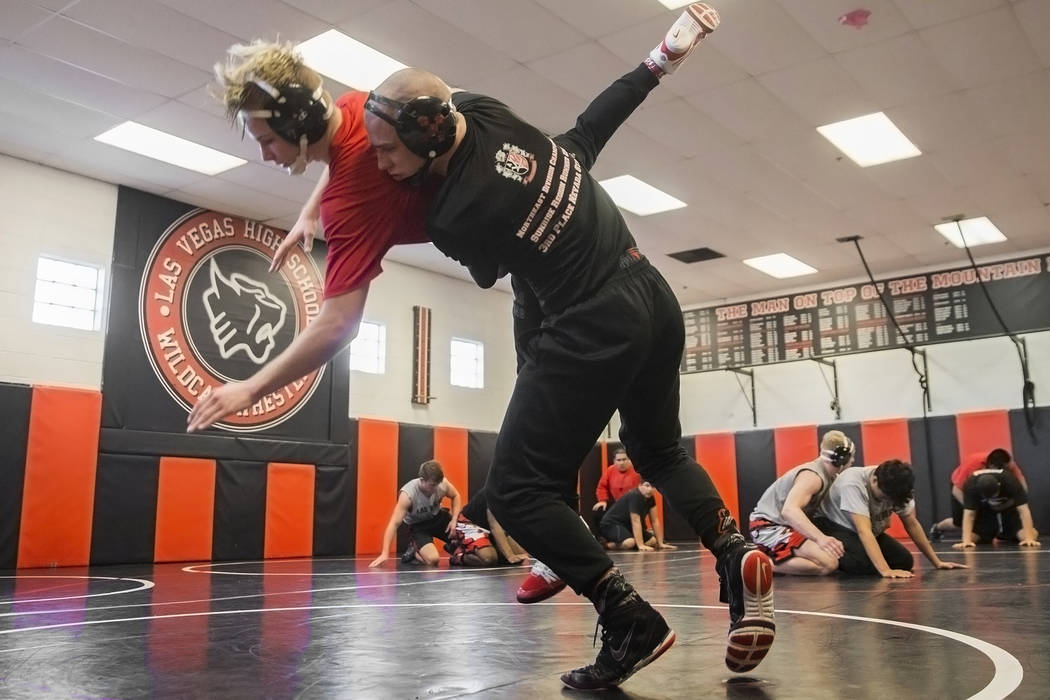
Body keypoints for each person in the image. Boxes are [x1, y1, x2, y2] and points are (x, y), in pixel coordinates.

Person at [362, 5, 776, 691]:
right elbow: (589, 128)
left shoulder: (459, 213)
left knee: (515, 492)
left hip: (591, 321)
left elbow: (507, 282)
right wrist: (660, 59)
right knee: (659, 450)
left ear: (428, 136)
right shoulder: (485, 112)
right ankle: (734, 550)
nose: (378, 163)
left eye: (387, 152)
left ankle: (627, 616)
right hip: (652, 295)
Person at [813, 460, 967, 578]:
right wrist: (885, 571)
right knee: (866, 566)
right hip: (831, 525)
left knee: (904, 561)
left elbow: (912, 524)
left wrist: (937, 562)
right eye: (884, 497)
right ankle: (821, 553)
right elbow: (863, 531)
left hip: (860, 530)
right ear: (874, 480)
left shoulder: (900, 489)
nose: (887, 502)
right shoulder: (853, 484)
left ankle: (854, 557)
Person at [748, 431, 854, 576]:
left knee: (830, 559)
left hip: (782, 525)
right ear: (842, 458)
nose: (853, 460)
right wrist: (820, 538)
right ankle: (758, 562)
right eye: (851, 456)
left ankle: (770, 556)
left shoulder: (829, 476)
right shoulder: (813, 477)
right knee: (829, 563)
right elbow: (789, 511)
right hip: (768, 526)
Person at [368, 460, 462, 567]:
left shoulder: (442, 484)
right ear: (422, 480)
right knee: (433, 560)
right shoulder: (408, 494)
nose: (435, 488)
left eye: (437, 484)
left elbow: (455, 496)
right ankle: (415, 552)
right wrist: (385, 553)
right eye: (432, 485)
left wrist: (454, 520)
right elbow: (394, 523)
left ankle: (451, 546)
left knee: (467, 543)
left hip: (438, 518)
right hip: (419, 526)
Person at [930, 448, 1029, 540]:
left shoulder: (1010, 465)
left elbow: (1022, 488)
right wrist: (972, 507)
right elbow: (956, 491)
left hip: (990, 487)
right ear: (990, 466)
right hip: (962, 487)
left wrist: (1011, 503)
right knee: (959, 522)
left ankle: (1004, 532)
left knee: (994, 519)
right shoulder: (973, 463)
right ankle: (938, 527)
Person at [951, 469, 1040, 549]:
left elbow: (1023, 510)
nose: (993, 499)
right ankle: (986, 534)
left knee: (1029, 536)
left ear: (999, 484)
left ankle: (1013, 534)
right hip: (985, 510)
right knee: (970, 538)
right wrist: (966, 541)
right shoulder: (971, 486)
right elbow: (969, 514)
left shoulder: (1010, 481)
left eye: (994, 495)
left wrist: (1029, 539)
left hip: (1009, 509)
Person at [599, 482, 676, 551]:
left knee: (652, 541)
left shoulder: (650, 498)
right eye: (647, 486)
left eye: (653, 487)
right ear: (640, 486)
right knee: (629, 543)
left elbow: (654, 520)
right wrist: (640, 545)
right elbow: (635, 521)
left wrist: (660, 543)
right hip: (612, 524)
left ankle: (635, 542)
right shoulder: (635, 495)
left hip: (628, 526)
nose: (649, 489)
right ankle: (604, 544)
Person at [593, 448, 642, 513]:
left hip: (634, 503)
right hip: (616, 503)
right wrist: (602, 500)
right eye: (619, 460)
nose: (622, 463)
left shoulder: (637, 470)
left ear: (629, 460)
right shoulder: (610, 470)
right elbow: (602, 487)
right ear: (614, 461)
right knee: (600, 510)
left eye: (624, 459)